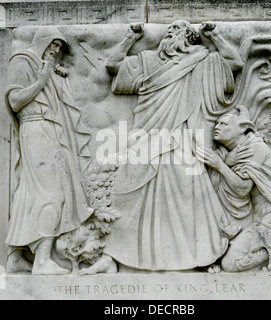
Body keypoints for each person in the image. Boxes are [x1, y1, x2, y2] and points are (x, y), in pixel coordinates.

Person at [79, 20, 244, 274]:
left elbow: (234, 65)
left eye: (176, 30)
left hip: (180, 143)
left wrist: (217, 36)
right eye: (169, 30)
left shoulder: (203, 61)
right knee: (128, 197)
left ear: (189, 38)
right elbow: (113, 66)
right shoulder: (148, 61)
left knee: (185, 203)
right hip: (145, 140)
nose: (170, 33)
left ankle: (193, 261)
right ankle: (112, 258)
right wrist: (128, 39)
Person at [5, 27, 94, 275]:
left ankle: (15, 256)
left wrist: (54, 75)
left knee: (29, 192)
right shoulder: (23, 60)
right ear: (42, 40)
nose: (55, 51)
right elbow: (14, 100)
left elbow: (50, 91)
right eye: (54, 45)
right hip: (35, 128)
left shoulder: (43, 65)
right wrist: (43, 79)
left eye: (59, 47)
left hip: (47, 129)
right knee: (54, 194)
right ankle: (42, 260)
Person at [196, 105, 271, 272]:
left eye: (224, 124)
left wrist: (220, 165)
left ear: (242, 128)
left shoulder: (254, 148)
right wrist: (225, 162)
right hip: (258, 220)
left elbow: (242, 189)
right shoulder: (235, 151)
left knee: (230, 264)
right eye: (217, 124)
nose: (217, 127)